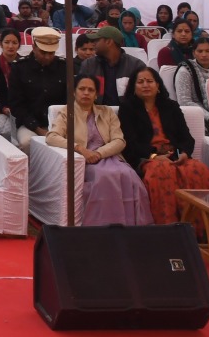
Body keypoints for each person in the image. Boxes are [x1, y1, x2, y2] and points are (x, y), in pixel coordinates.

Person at [117, 67, 209, 226]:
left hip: (175, 155)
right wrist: (154, 156)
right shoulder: (127, 108)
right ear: (133, 87)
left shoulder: (171, 106)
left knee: (197, 170)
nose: (146, 85)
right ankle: (168, 228)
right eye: (140, 82)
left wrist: (183, 153)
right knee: (162, 172)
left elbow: (186, 138)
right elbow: (130, 142)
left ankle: (201, 228)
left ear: (158, 85)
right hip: (147, 157)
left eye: (150, 81)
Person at [47, 75, 152, 226]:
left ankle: (132, 226)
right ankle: (103, 226)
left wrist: (99, 153)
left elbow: (119, 140)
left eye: (91, 90)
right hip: (85, 159)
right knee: (105, 176)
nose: (86, 93)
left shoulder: (106, 112)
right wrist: (80, 149)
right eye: (82, 89)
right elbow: (52, 137)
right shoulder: (67, 112)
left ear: (96, 94)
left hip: (108, 156)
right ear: (74, 92)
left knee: (129, 175)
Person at [9, 26, 68, 152]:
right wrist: (37, 128)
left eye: (51, 53)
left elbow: (69, 100)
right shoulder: (19, 68)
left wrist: (58, 127)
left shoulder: (64, 67)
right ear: (34, 47)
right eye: (43, 52)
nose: (47, 57)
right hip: (30, 124)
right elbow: (16, 105)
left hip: (60, 123)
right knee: (27, 143)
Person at [78, 25, 146, 106]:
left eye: (97, 40)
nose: (93, 44)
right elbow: (80, 93)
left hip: (127, 112)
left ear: (108, 42)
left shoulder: (136, 66)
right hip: (96, 112)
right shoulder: (88, 65)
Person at [173, 36, 209, 121]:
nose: (204, 55)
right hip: (196, 117)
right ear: (194, 53)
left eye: (208, 51)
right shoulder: (185, 70)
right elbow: (184, 101)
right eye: (200, 51)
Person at [0, 28, 23, 139]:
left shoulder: (25, 64)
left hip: (21, 110)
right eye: (7, 42)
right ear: (1, 44)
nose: (10, 46)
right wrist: (1, 109)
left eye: (14, 43)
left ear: (19, 45)